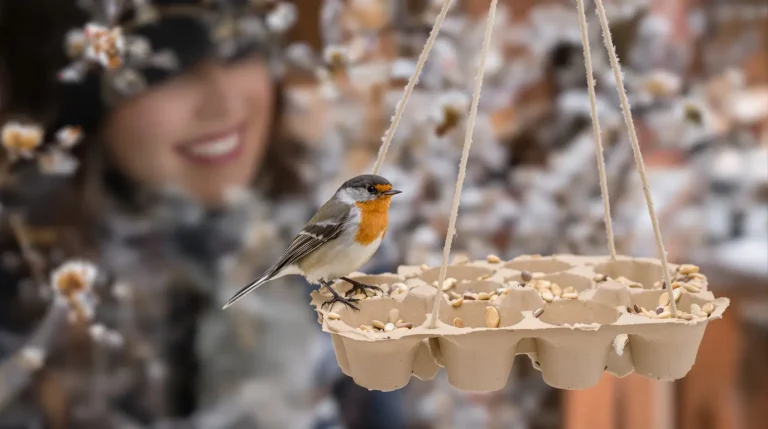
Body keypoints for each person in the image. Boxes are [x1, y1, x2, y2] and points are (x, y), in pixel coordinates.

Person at [0, 1, 405, 428]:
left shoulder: (339, 249)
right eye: (167, 69)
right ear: (78, 109)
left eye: (238, 49)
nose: (223, 103)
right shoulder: (24, 306)